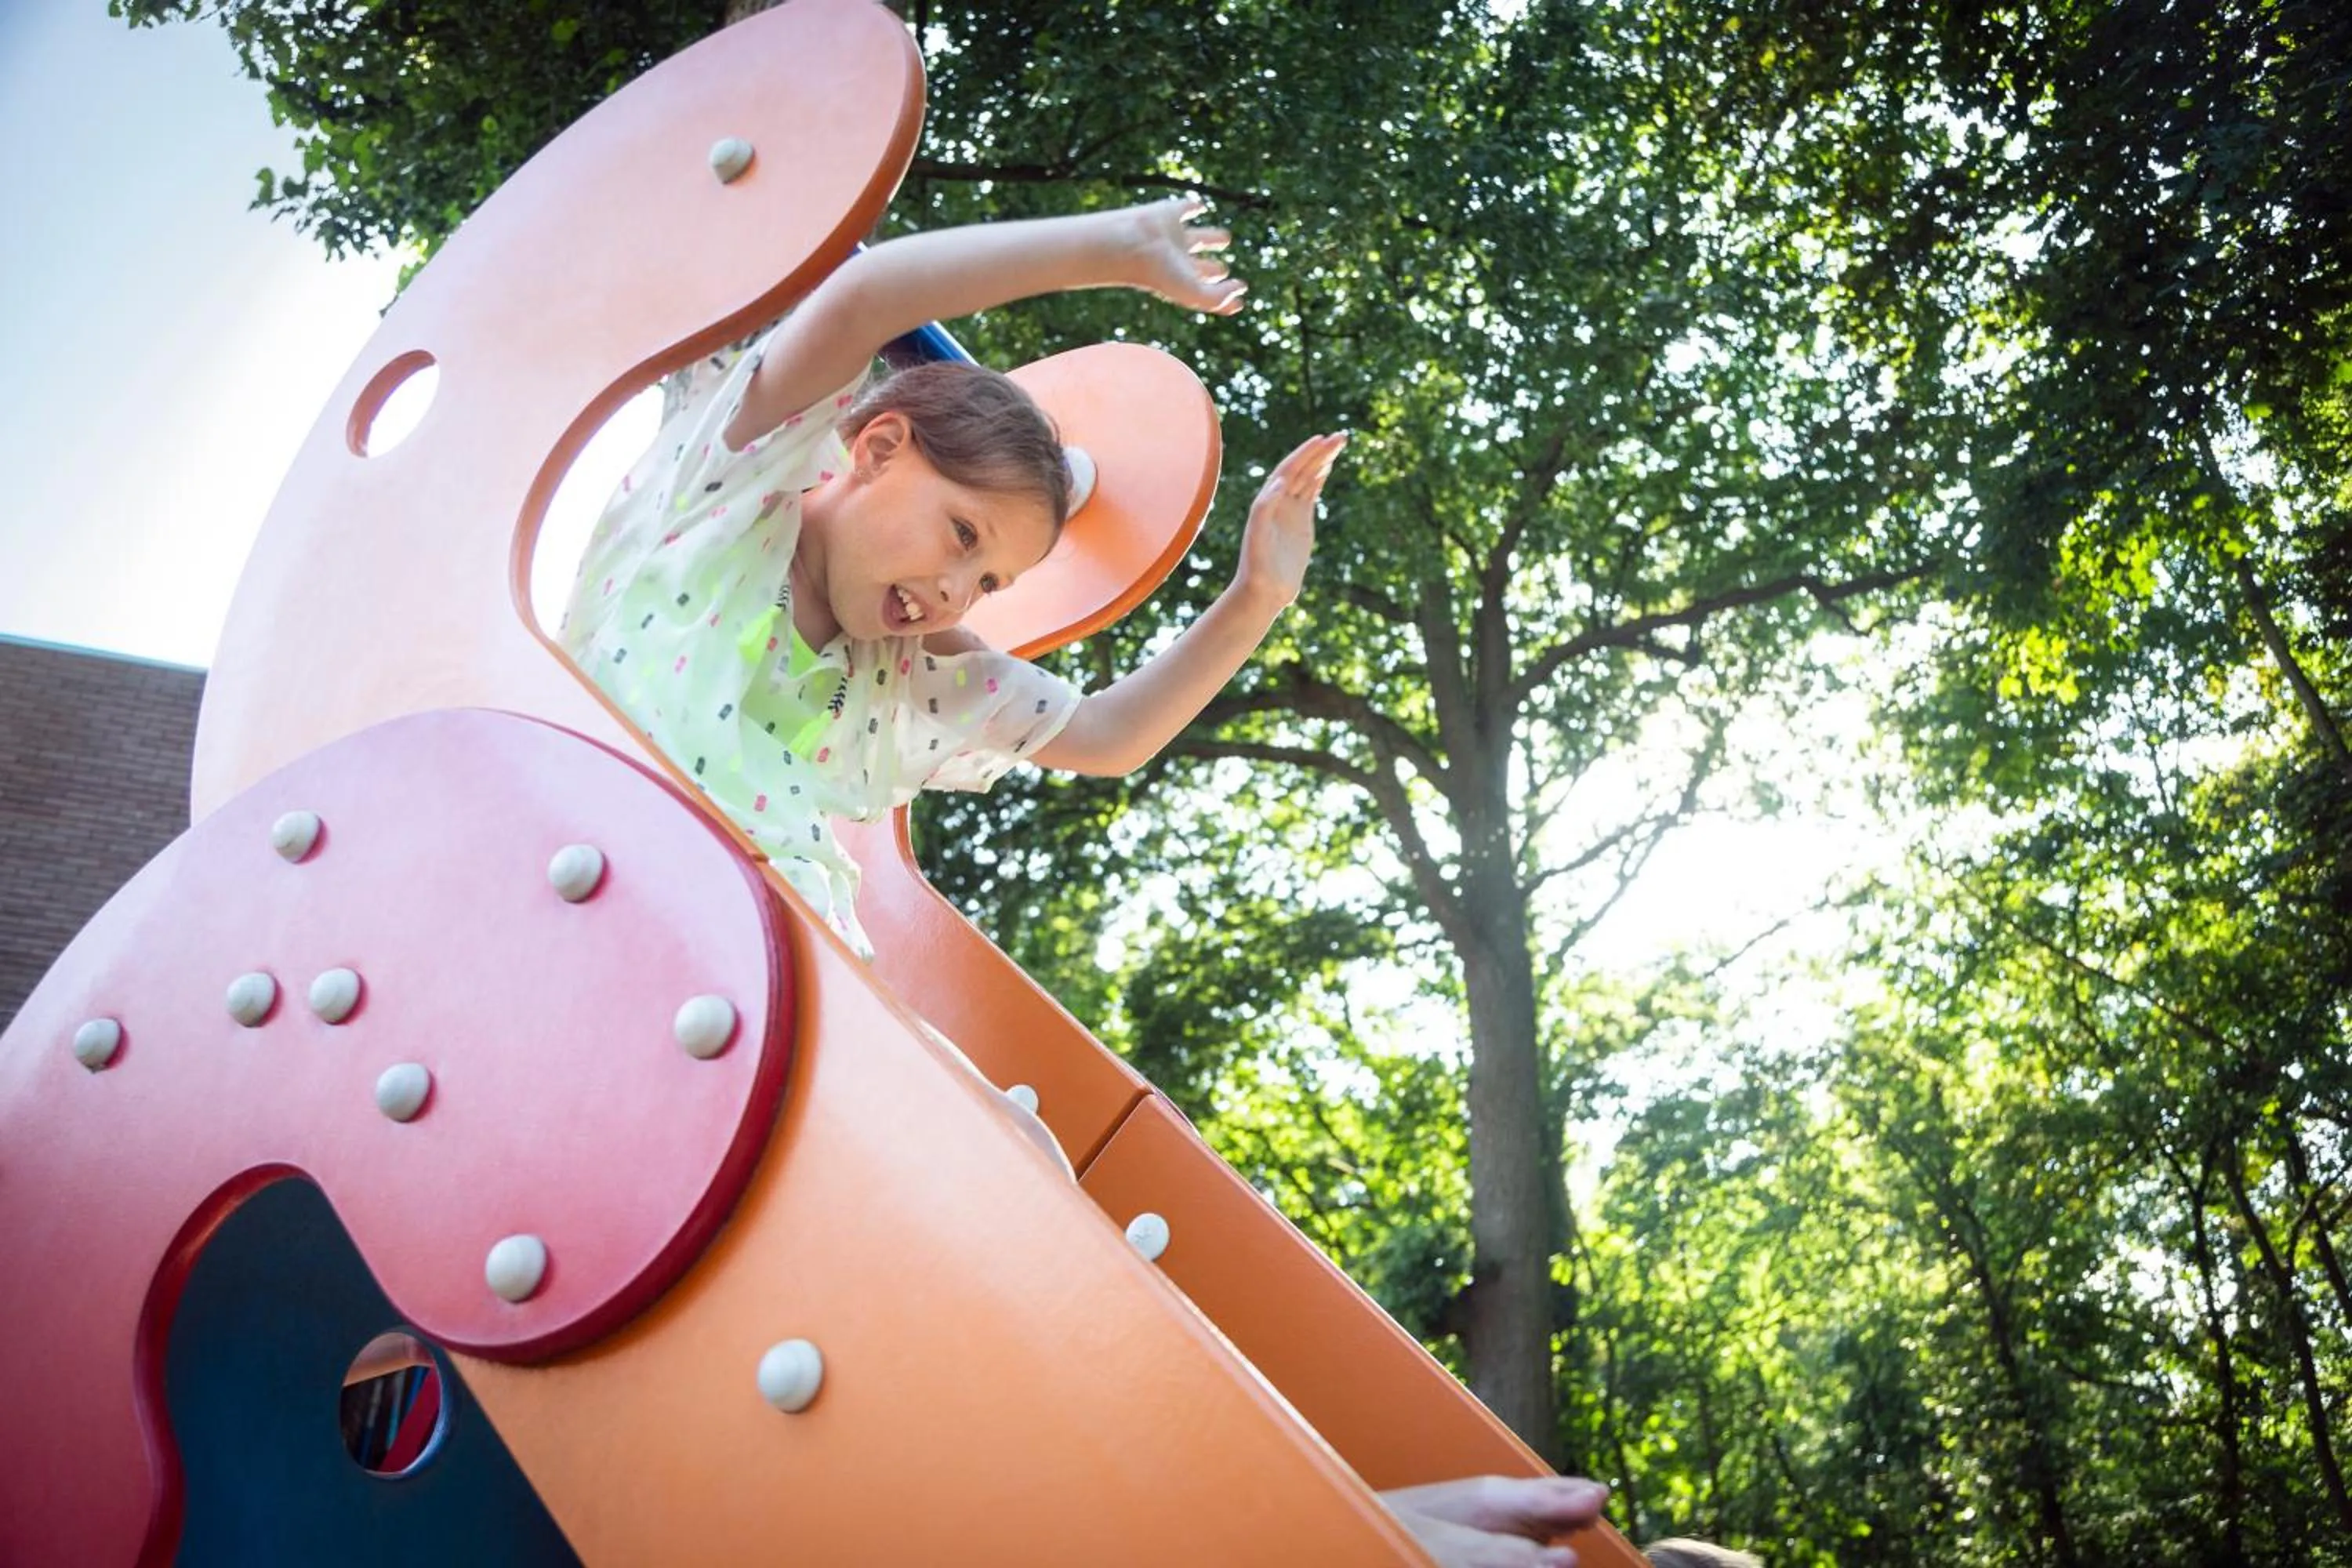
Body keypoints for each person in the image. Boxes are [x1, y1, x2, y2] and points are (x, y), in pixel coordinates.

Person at [557, 194, 1621, 1568]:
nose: (959, 597)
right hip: (605, 968)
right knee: (957, 1239)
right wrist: (1114, 250)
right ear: (873, 448)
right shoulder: (724, 505)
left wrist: (1254, 598)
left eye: (990, 581)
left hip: (790, 1036)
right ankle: (1310, 1534)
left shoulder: (904, 679)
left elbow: (1112, 735)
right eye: (960, 535)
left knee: (1015, 1195)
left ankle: (1318, 1517)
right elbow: (865, 297)